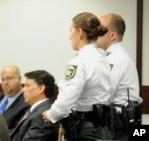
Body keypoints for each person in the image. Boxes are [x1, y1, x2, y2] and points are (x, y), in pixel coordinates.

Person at [42, 12, 112, 140]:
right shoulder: (102, 58)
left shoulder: (79, 62)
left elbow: (66, 99)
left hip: (85, 129)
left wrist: (51, 115)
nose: (69, 36)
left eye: (71, 30)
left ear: (79, 32)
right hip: (102, 127)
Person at [96, 13, 143, 140]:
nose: (96, 33)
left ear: (112, 35)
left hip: (119, 127)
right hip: (122, 123)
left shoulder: (115, 58)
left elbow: (105, 94)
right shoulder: (115, 55)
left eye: (100, 29)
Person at [11, 70, 59, 141]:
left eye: (27, 86)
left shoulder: (43, 114)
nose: (23, 90)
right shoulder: (37, 109)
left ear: (41, 89)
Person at [0, 65, 30, 132]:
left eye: (9, 78)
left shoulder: (26, 102)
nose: (5, 82)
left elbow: (17, 131)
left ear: (19, 78)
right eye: (3, 79)